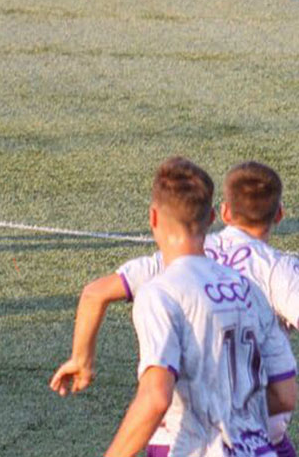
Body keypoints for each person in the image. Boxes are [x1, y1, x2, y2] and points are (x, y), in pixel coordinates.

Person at [50, 161, 299, 456]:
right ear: (211, 217)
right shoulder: (254, 289)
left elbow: (155, 397)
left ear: (153, 217)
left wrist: (81, 360)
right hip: (257, 445)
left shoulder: (161, 288)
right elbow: (285, 396)